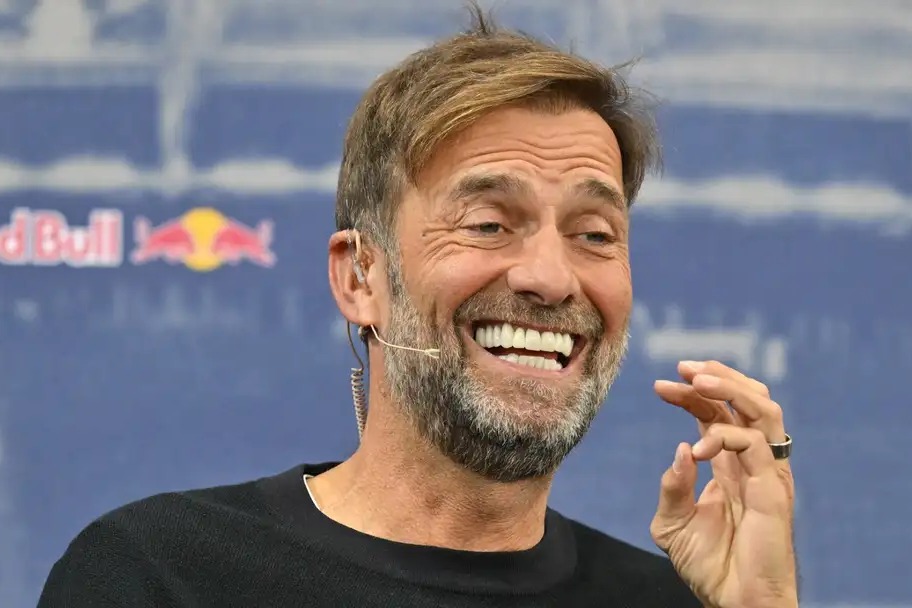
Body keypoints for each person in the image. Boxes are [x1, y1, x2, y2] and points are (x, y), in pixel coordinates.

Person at [38, 6, 797, 607]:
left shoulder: (672, 599)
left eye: (594, 234)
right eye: (489, 223)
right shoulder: (156, 576)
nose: (551, 277)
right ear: (360, 278)